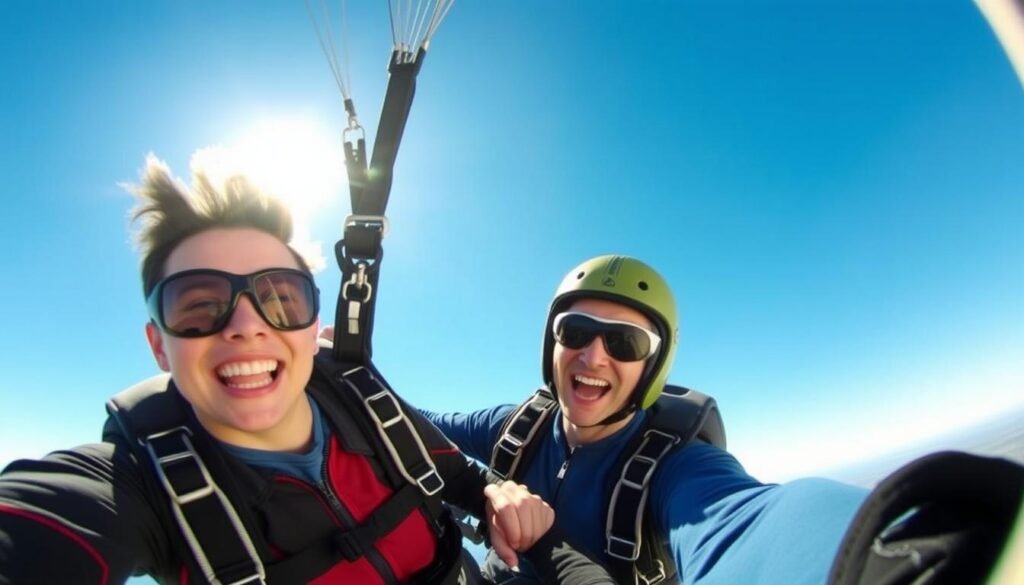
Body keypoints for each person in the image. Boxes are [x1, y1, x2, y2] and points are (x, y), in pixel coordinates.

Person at [0, 157, 613, 585]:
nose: (246, 325)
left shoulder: (362, 399)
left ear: (311, 325)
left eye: (279, 297)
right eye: (199, 305)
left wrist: (506, 499)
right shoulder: (141, 486)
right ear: (159, 347)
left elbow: (459, 478)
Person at [422, 255, 870, 585]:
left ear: (653, 367)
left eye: (625, 343)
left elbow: (750, 525)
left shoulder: (674, 467)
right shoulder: (519, 428)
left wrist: (877, 554)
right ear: (552, 343)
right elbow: (415, 424)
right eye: (575, 331)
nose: (593, 355)